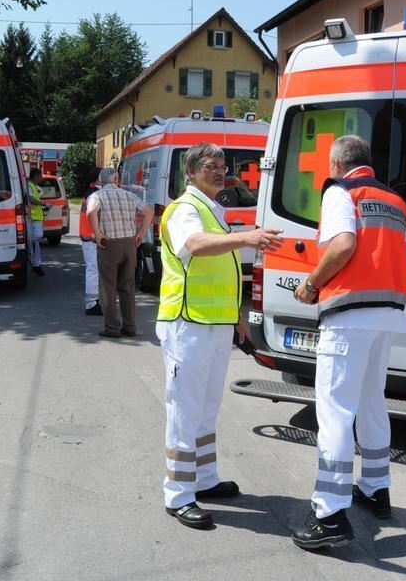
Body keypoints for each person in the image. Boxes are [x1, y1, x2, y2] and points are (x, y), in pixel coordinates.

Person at [290, 134, 406, 550]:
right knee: (371, 403)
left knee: (335, 411)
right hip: (387, 316)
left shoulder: (341, 192)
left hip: (349, 316)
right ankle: (376, 489)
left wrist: (310, 284)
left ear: (338, 164)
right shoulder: (395, 202)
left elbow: (343, 244)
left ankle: (328, 513)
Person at [157, 142, 284, 529]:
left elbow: (220, 274)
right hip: (187, 324)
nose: (219, 171)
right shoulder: (185, 210)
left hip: (213, 324)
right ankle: (178, 494)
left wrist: (236, 319)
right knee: (184, 410)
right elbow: (195, 247)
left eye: (221, 166)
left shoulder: (214, 211)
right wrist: (247, 237)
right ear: (191, 173)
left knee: (207, 408)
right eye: (210, 166)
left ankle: (205, 480)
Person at [85, 167, 153, 338]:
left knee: (108, 286)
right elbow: (149, 211)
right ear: (116, 179)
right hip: (129, 244)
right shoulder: (129, 195)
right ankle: (130, 326)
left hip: (109, 245)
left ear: (100, 181)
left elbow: (91, 211)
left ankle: (112, 328)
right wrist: (141, 234)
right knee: (127, 287)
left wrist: (98, 233)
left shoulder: (97, 195)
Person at [79, 167, 102, 316]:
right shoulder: (95, 194)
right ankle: (92, 304)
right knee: (93, 270)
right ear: (98, 178)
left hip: (88, 237)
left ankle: (94, 301)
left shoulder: (90, 192)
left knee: (93, 270)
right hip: (91, 237)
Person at [26, 168, 47, 276]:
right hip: (32, 218)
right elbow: (31, 198)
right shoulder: (29, 185)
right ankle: (26, 245)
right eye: (40, 176)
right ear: (35, 176)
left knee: (36, 243)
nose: (41, 178)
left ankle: (36, 265)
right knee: (37, 236)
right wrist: (43, 204)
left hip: (36, 217)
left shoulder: (34, 186)